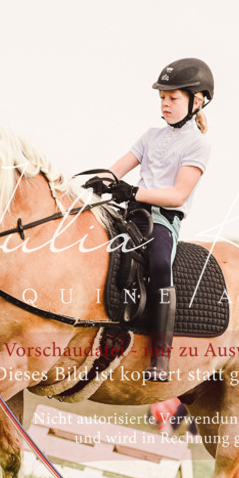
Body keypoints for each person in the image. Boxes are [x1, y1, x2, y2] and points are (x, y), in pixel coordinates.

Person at [85, 58, 213, 381]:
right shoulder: (150, 135)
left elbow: (178, 195)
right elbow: (117, 168)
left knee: (158, 264)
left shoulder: (198, 145)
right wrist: (97, 180)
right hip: (130, 213)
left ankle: (161, 356)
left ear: (196, 102)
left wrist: (133, 193)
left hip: (161, 221)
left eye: (173, 98)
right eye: (162, 98)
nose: (165, 104)